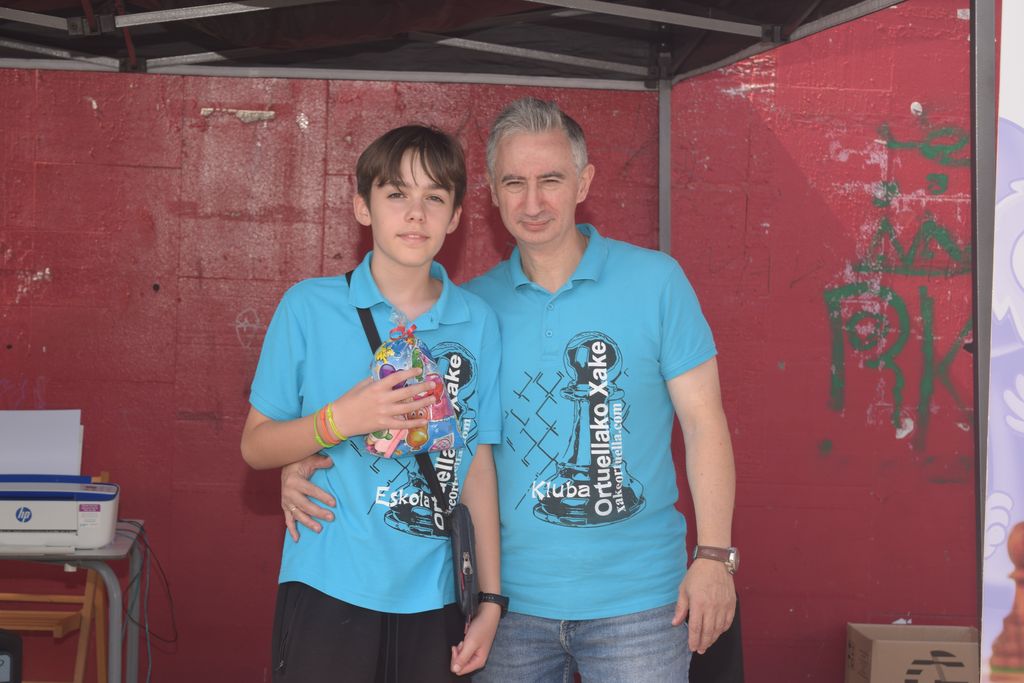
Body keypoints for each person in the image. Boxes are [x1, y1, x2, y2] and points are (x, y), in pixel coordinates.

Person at [282, 98, 737, 682]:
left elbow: (704, 422)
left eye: (551, 180)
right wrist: (301, 460)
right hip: (503, 610)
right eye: (514, 183)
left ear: (584, 183)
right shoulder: (468, 312)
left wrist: (714, 555)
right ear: (492, 196)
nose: (532, 202)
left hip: (641, 602)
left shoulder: (657, 281)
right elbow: (428, 436)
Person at [241, 124, 505, 682]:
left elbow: (477, 463)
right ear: (363, 207)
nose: (416, 214)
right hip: (328, 583)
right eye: (396, 194)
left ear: (456, 217)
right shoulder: (308, 307)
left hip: (437, 595)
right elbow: (256, 447)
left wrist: (490, 599)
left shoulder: (478, 321)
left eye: (435, 197)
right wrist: (339, 420)